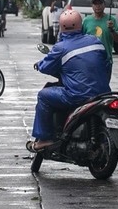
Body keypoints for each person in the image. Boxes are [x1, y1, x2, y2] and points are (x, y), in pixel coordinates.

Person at [28, 9, 111, 151]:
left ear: (61, 27)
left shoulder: (60, 48)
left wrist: (39, 65)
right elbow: (106, 63)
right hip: (103, 93)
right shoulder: (95, 41)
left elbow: (46, 66)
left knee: (43, 95)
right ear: (81, 25)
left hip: (78, 96)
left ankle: (45, 139)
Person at [82, 0, 118, 78]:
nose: (97, 6)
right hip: (90, 59)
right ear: (92, 6)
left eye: (100, 4)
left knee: (104, 87)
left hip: (106, 59)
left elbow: (117, 39)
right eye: (95, 4)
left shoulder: (111, 20)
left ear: (104, 5)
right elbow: (80, 39)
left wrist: (112, 29)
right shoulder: (86, 21)